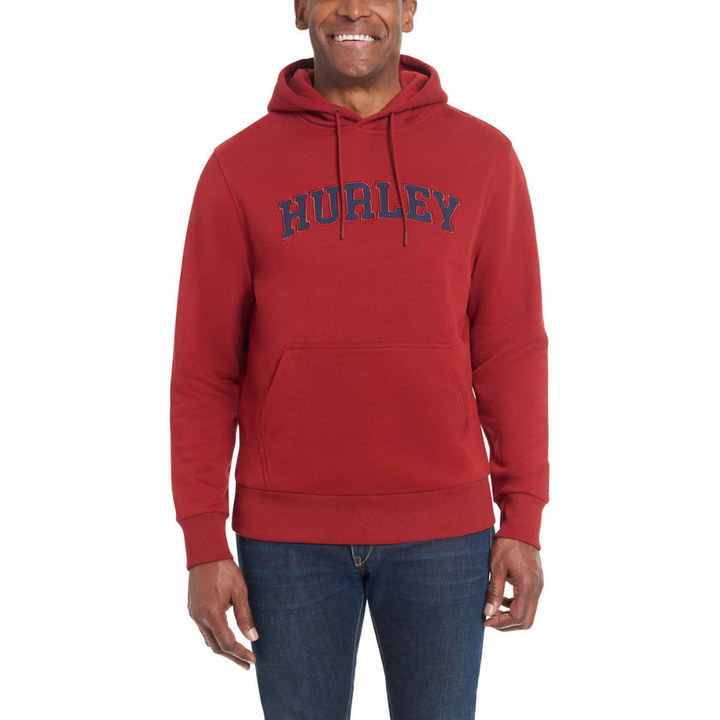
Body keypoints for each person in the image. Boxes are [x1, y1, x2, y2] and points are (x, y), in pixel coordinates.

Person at [169, 1, 548, 717]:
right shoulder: (236, 167)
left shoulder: (485, 158)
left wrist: (522, 517)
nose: (352, 8)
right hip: (286, 538)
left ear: (409, 8)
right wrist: (202, 540)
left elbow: (512, 350)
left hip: (445, 530)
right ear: (300, 9)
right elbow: (204, 370)